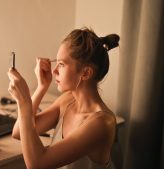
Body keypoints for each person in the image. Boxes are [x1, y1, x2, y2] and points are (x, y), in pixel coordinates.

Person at [7, 27, 120, 169]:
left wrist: (24, 102)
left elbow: (37, 164)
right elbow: (18, 132)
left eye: (61, 64)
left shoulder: (102, 123)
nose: (54, 71)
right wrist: (41, 87)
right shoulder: (67, 100)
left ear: (85, 73)